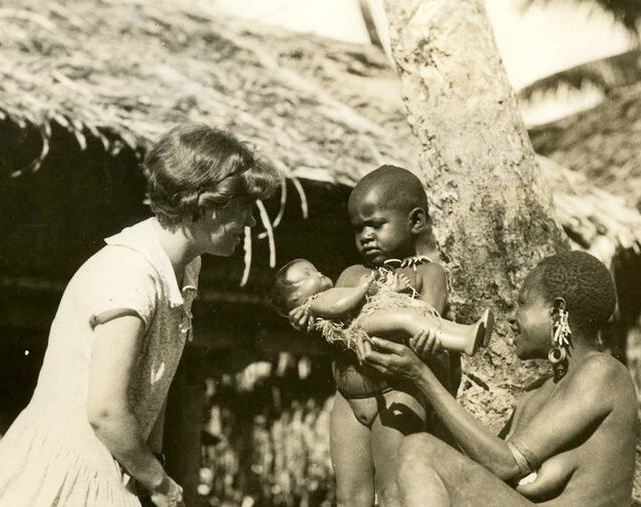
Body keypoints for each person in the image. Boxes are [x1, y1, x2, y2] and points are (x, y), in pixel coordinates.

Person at [0, 124, 279, 507]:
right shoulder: (129, 273)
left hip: (113, 469)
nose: (249, 223)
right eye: (243, 207)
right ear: (207, 203)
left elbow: (153, 384)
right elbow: (106, 410)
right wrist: (160, 483)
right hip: (65, 476)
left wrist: (151, 469)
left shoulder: (183, 270)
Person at [363, 251, 638, 506]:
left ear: (556, 311)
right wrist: (433, 367)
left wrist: (422, 377)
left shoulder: (603, 372)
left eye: (522, 303)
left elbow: (505, 463)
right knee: (406, 455)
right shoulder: (536, 392)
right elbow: (475, 464)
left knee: (419, 448)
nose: (511, 318)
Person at [285, 165, 457, 506]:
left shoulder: (427, 274)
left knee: (394, 492)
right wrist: (311, 317)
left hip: (396, 394)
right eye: (358, 228)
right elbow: (335, 323)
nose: (365, 235)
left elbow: (428, 319)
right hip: (347, 399)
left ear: (416, 221)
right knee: (350, 496)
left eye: (376, 224)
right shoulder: (352, 274)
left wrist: (424, 339)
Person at [270, 258, 493, 356]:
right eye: (308, 275)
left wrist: (389, 292)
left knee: (418, 316)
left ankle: (469, 332)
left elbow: (366, 300)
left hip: (368, 316)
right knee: (408, 320)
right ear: (296, 298)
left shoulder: (326, 294)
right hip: (362, 325)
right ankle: (463, 340)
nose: (318, 273)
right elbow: (340, 306)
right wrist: (362, 287)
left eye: (314, 268)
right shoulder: (317, 302)